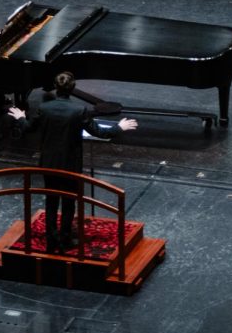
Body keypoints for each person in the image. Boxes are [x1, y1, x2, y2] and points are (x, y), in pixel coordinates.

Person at [9, 71, 137, 252]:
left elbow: (29, 128)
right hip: (70, 164)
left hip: (49, 163)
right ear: (72, 88)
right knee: (69, 202)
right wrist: (119, 127)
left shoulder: (45, 108)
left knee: (51, 201)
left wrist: (21, 117)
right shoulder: (79, 110)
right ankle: (65, 238)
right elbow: (99, 132)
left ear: (55, 87)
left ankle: (52, 240)